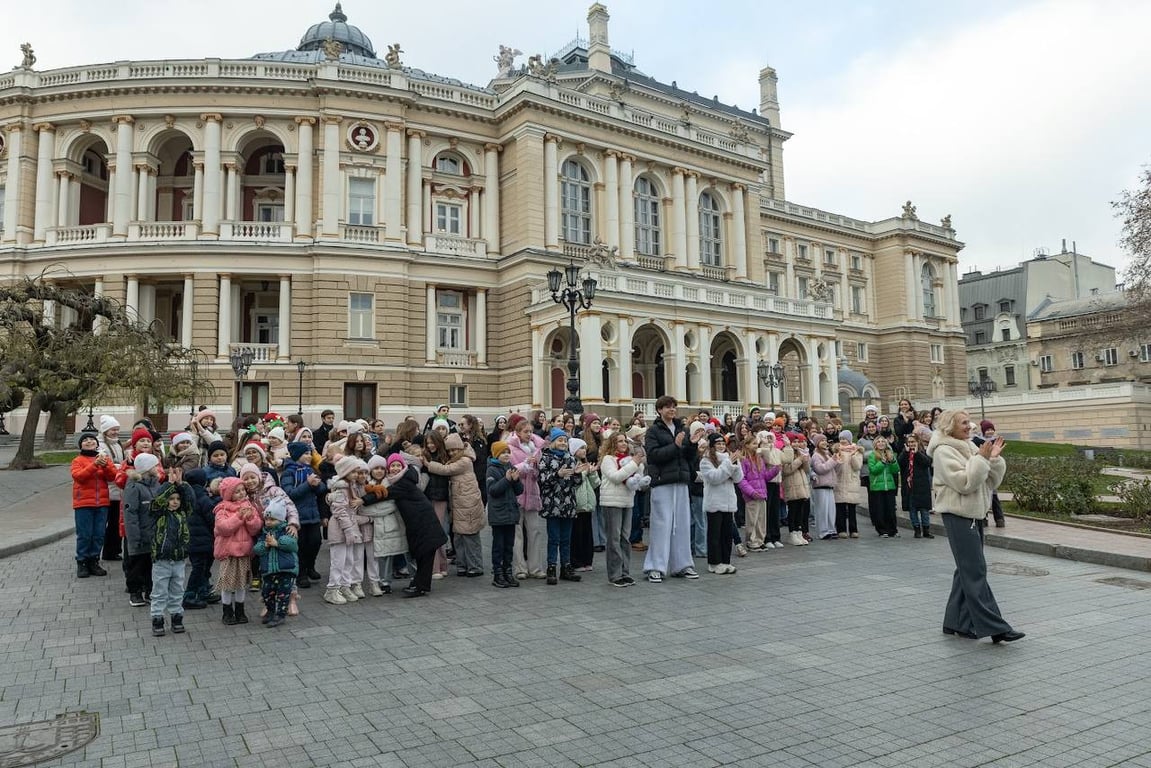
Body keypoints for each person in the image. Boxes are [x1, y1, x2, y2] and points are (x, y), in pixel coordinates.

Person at [928, 410, 1022, 643]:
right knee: (975, 571)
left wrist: (994, 459)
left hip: (974, 515)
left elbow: (990, 481)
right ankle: (995, 626)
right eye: (963, 423)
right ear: (950, 426)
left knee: (966, 570)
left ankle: (954, 622)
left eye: (969, 422)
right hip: (958, 515)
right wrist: (982, 459)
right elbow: (964, 483)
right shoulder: (943, 451)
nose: (969, 426)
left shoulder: (969, 446)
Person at [642, 396, 700, 583]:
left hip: (680, 481)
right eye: (667, 407)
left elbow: (688, 458)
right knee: (661, 524)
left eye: (674, 406)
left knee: (682, 524)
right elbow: (653, 455)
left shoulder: (682, 429)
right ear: (659, 410)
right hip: (662, 481)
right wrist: (675, 446)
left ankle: (682, 565)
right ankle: (655, 567)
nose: (672, 409)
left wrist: (692, 444)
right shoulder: (653, 431)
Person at [385, 454, 449, 598]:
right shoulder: (405, 479)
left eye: (398, 466)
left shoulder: (404, 483)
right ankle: (419, 583)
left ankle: (421, 587)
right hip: (421, 525)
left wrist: (363, 499)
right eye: (392, 466)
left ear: (403, 467)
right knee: (422, 556)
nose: (395, 468)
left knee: (425, 556)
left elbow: (384, 494)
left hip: (425, 525)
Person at [427, 433, 486, 578]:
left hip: (468, 505)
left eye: (455, 450)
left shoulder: (465, 461)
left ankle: (475, 566)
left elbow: (446, 470)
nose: (453, 453)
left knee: (470, 537)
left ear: (461, 448)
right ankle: (462, 565)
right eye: (450, 451)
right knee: (459, 537)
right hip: (460, 505)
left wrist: (428, 464)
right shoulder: (456, 460)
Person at [147, 469, 192, 637]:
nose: (175, 502)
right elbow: (158, 500)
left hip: (179, 560)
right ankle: (157, 619)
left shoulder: (183, 513)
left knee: (177, 590)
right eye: (171, 499)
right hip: (162, 560)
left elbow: (190, 500)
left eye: (177, 499)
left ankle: (176, 617)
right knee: (159, 592)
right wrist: (169, 484)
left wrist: (181, 485)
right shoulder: (158, 513)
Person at [213, 477, 263, 625]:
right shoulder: (222, 509)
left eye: (242, 490)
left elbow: (255, 529)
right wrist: (239, 516)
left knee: (242, 583)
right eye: (237, 491)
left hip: (244, 552)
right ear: (229, 494)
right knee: (228, 584)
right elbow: (224, 528)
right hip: (228, 552)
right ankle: (227, 611)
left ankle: (240, 610)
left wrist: (251, 518)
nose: (241, 494)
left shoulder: (249, 506)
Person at [599, 432, 644, 587]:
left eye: (625, 441)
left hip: (627, 501)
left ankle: (625, 572)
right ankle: (615, 574)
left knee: (625, 538)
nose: (624, 443)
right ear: (613, 443)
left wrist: (639, 467)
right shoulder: (608, 459)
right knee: (614, 539)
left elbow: (636, 479)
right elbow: (616, 477)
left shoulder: (628, 460)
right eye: (619, 441)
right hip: (612, 502)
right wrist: (634, 464)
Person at [538, 428, 582, 585]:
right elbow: (543, 481)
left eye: (565, 440)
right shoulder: (546, 458)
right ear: (553, 442)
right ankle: (551, 567)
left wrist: (577, 474)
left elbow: (576, 484)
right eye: (560, 440)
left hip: (568, 504)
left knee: (566, 539)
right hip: (552, 504)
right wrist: (558, 474)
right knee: (554, 538)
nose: (563, 443)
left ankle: (566, 567)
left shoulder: (570, 458)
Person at [280, 442, 326, 589]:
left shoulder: (310, 469)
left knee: (315, 542)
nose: (309, 456)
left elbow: (322, 488)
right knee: (300, 545)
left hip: (312, 514)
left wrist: (316, 484)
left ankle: (310, 566)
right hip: (297, 515)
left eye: (309, 453)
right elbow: (289, 493)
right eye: (306, 453)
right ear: (297, 455)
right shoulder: (289, 472)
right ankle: (301, 573)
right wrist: (307, 484)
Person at [71, 432, 117, 579]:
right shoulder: (77, 460)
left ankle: (94, 560)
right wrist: (94, 465)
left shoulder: (104, 458)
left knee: (98, 534)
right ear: (81, 445)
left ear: (97, 444)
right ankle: (82, 562)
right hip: (83, 503)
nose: (89, 441)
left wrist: (105, 467)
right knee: (85, 534)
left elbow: (113, 477)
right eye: (85, 440)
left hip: (102, 502)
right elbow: (79, 477)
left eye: (92, 439)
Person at [324, 456, 367, 605]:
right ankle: (332, 589)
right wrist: (348, 529)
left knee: (349, 559)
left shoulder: (351, 486)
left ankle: (345, 585)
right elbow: (340, 511)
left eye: (357, 471)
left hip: (349, 527)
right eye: (353, 471)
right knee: (338, 560)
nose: (357, 474)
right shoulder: (342, 487)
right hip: (340, 529)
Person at [508, 414, 547, 580]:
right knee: (517, 533)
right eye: (525, 431)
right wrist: (526, 465)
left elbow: (539, 473)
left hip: (532, 493)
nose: (529, 434)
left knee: (535, 531)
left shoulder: (536, 449)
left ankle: (536, 567)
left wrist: (536, 467)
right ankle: (519, 568)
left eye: (530, 431)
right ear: (517, 432)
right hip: (517, 494)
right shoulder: (510, 448)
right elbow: (510, 470)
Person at [122, 452, 163, 607]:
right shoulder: (134, 487)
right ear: (147, 468)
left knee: (150, 565)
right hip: (139, 535)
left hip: (153, 534)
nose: (157, 468)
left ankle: (149, 590)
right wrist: (134, 537)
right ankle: (135, 592)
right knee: (137, 565)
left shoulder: (155, 484)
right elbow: (130, 513)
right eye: (155, 465)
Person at [699, 433, 742, 574]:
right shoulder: (706, 461)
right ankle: (714, 562)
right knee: (715, 534)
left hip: (728, 502)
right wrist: (728, 464)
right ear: (712, 445)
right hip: (714, 502)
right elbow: (715, 478)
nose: (721, 446)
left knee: (727, 534)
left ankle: (725, 561)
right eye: (718, 444)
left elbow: (738, 478)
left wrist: (735, 465)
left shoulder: (729, 459)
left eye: (723, 443)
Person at [252, 498, 299, 628]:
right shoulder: (264, 533)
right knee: (267, 592)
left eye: (272, 519)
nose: (268, 522)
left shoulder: (286, 531)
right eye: (267, 519)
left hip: (285, 570)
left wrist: (277, 543)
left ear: (281, 519)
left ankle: (280, 614)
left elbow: (293, 545)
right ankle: (270, 611)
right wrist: (265, 545)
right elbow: (256, 549)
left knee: (283, 594)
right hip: (268, 570)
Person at [486, 441, 524, 588]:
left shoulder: (511, 467)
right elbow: (493, 490)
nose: (506, 455)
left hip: (511, 513)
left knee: (509, 545)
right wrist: (507, 480)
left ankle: (508, 572)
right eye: (503, 452)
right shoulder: (492, 470)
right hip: (498, 514)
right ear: (496, 454)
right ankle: (498, 574)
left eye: (508, 452)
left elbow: (519, 490)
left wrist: (515, 481)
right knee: (499, 545)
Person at [181, 469, 216, 610]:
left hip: (191, 541)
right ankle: (189, 596)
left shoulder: (186, 496)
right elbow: (212, 519)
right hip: (204, 540)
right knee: (200, 568)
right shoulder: (203, 498)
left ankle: (203, 591)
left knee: (201, 567)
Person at [95, 416, 126, 562]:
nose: (115, 432)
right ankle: (107, 550)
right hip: (108, 489)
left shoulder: (117, 444)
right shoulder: (100, 446)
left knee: (115, 522)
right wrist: (122, 469)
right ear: (106, 430)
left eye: (117, 429)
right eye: (113, 429)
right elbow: (106, 464)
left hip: (117, 487)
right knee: (109, 522)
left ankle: (113, 550)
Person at [569, 437, 601, 572]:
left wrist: (592, 473)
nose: (584, 451)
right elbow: (574, 482)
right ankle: (576, 561)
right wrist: (583, 473)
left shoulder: (586, 463)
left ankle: (587, 560)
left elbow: (595, 484)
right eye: (581, 448)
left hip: (587, 504)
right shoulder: (571, 463)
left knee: (587, 534)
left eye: (585, 448)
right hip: (577, 504)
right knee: (577, 534)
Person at [899, 434, 935, 539]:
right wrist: (905, 453)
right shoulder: (905, 453)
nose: (911, 444)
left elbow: (927, 462)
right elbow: (900, 463)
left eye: (913, 442)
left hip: (922, 486)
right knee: (912, 509)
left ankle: (926, 529)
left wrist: (917, 453)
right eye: (909, 442)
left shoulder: (922, 452)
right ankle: (916, 529)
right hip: (910, 486)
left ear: (918, 442)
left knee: (924, 510)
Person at [974, 420, 1006, 527]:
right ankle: (983, 518)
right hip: (982, 470)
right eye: (987, 430)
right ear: (983, 431)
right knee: (984, 495)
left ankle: (999, 519)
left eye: (992, 429)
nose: (990, 432)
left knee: (994, 497)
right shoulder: (977, 441)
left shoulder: (997, 441)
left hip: (992, 471)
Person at [781, 432, 812, 545]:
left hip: (802, 486)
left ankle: (799, 532)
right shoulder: (785, 452)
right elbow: (786, 470)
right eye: (794, 442)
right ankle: (792, 533)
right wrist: (799, 460)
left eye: (797, 442)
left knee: (800, 511)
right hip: (792, 486)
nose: (796, 444)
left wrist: (805, 460)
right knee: (793, 511)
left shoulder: (799, 452)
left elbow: (807, 470)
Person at [867, 437, 901, 538]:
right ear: (875, 444)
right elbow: (873, 470)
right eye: (879, 441)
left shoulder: (890, 454)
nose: (881, 443)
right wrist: (882, 462)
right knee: (880, 510)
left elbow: (896, 470)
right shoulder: (872, 455)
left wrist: (893, 461)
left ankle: (893, 530)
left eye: (883, 441)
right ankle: (882, 530)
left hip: (889, 486)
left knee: (890, 509)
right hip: (877, 487)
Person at [833, 431, 864, 538]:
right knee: (840, 508)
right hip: (839, 481)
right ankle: (841, 529)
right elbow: (835, 467)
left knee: (852, 509)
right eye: (841, 438)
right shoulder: (836, 451)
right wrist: (838, 457)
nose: (842, 441)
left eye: (845, 439)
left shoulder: (857, 451)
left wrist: (853, 456)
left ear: (849, 440)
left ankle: (853, 530)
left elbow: (857, 467)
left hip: (852, 482)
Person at [810, 435, 838, 539]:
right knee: (822, 509)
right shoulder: (816, 455)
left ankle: (831, 529)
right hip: (820, 486)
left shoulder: (827, 453)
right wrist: (833, 460)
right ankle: (823, 531)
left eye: (825, 440)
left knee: (831, 509)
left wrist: (836, 459)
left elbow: (833, 466)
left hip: (829, 485)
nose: (824, 442)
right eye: (821, 440)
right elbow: (820, 469)